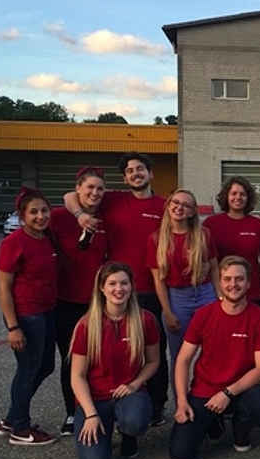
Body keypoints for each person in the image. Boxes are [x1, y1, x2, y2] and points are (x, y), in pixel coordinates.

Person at [65, 152, 168, 426]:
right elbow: (69, 196)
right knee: (111, 349)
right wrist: (79, 216)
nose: (136, 173)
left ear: (150, 173)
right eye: (130, 171)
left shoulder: (164, 205)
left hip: (152, 289)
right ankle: (103, 404)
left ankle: (155, 405)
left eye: (140, 169)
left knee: (153, 351)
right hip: (119, 290)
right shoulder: (113, 199)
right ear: (124, 178)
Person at [169, 256, 260, 459]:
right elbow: (183, 360)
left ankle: (240, 429)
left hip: (241, 389)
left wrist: (227, 393)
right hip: (205, 391)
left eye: (239, 279)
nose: (233, 284)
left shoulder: (258, 317)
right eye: (227, 279)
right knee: (181, 454)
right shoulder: (204, 314)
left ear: (249, 283)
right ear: (220, 282)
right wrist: (181, 402)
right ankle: (213, 421)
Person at [70, 262, 160, 459]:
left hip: (128, 393)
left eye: (124, 283)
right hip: (95, 399)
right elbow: (77, 376)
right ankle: (104, 428)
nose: (118, 289)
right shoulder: (86, 325)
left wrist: (135, 384)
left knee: (135, 421)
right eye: (112, 284)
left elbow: (153, 361)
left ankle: (127, 433)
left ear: (131, 286)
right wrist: (91, 414)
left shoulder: (145, 319)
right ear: (101, 288)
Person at [0, 188, 60, 446]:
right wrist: (13, 327)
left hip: (47, 311)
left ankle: (12, 417)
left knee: (45, 366)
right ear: (22, 215)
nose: (40, 216)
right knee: (28, 369)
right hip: (26, 315)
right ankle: (20, 429)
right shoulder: (14, 243)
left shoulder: (46, 238)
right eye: (33, 212)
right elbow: (3, 288)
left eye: (44, 210)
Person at [50, 166, 109, 437]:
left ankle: (102, 409)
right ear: (78, 189)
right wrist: (78, 214)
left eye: (99, 188)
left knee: (101, 357)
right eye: (89, 188)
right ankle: (72, 412)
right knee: (71, 359)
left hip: (98, 303)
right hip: (66, 301)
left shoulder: (106, 220)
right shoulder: (60, 218)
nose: (94, 193)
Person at [147, 189, 219, 399]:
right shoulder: (156, 239)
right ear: (168, 207)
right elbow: (158, 280)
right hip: (177, 299)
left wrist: (220, 299)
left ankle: (210, 399)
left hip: (205, 294)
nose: (179, 208)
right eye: (175, 203)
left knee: (212, 353)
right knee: (179, 357)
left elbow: (214, 268)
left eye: (185, 205)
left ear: (192, 212)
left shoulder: (203, 234)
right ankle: (182, 401)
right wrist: (167, 311)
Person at [203, 176, 260, 307]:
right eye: (233, 193)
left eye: (242, 194)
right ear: (226, 196)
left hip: (251, 292)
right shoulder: (211, 224)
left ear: (249, 197)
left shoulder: (258, 225)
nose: (238, 197)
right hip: (220, 292)